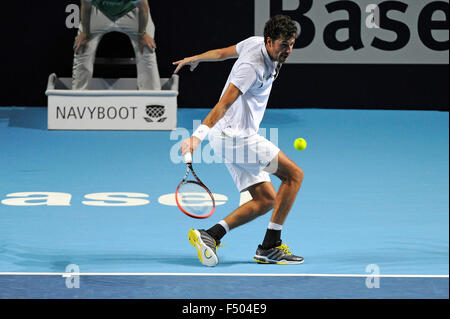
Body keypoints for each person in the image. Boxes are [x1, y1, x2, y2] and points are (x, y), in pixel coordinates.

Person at [173, 15, 304, 266]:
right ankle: (271, 246)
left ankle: (210, 235)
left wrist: (195, 58)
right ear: (269, 41)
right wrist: (196, 137)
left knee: (265, 199)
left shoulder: (256, 43)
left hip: (227, 137)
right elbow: (223, 104)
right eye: (283, 45)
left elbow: (223, 53)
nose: (288, 50)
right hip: (235, 138)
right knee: (294, 175)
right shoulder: (251, 67)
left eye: (291, 44)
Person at [72, 0, 160, 90]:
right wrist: (85, 33)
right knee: (81, 47)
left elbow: (143, 8)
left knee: (147, 48)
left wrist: (142, 34)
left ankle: (152, 99)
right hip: (98, 12)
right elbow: (86, 6)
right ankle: (78, 97)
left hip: (132, 11)